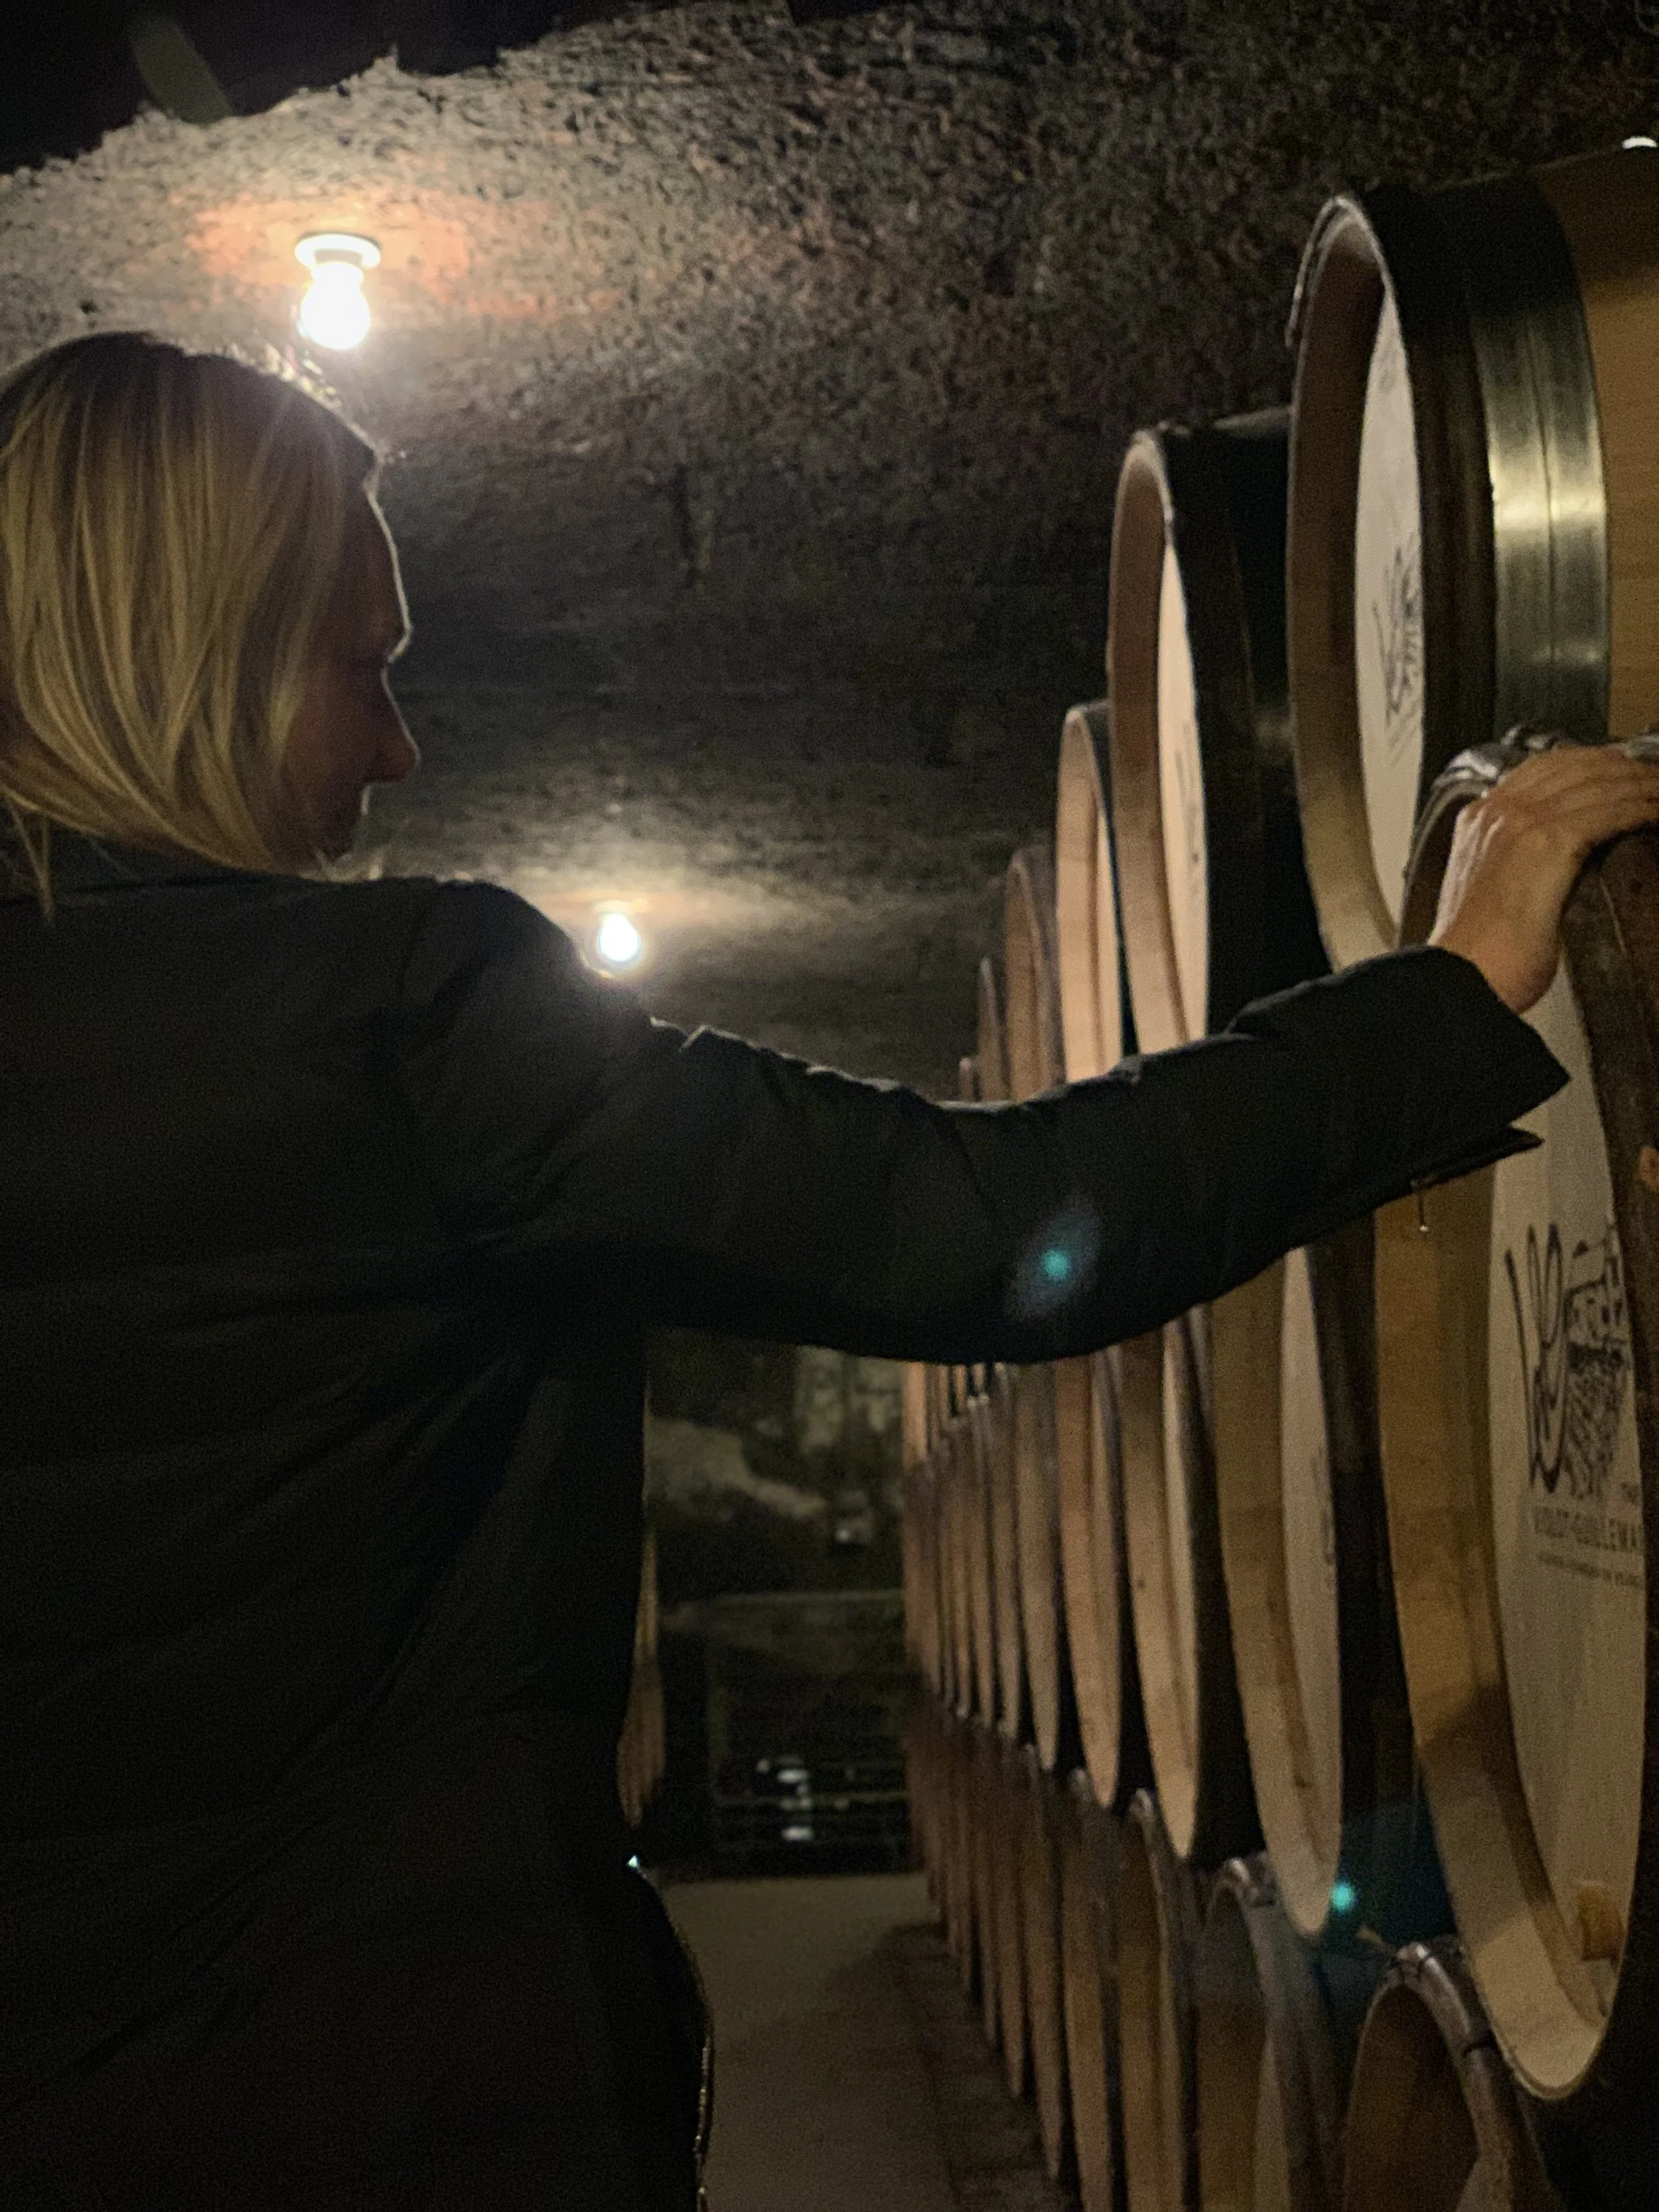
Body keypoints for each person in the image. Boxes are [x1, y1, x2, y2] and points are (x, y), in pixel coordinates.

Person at [0, 331, 1651, 2212]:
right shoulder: (402, 1018)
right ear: (189, 652)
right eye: (362, 669)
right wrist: (1438, 1004)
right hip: (414, 2095)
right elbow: (985, 1231)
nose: (399, 748)